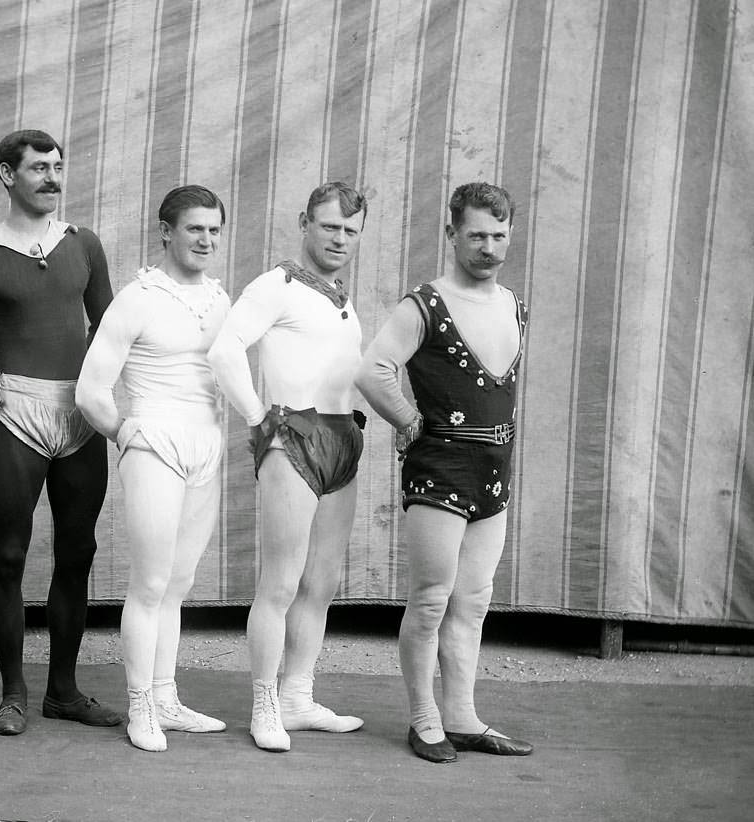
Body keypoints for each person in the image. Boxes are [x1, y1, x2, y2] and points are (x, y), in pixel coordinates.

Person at [0, 129, 122, 735]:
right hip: (19, 419)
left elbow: (111, 331)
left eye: (58, 167)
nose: (53, 178)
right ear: (8, 175)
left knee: (77, 554)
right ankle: (14, 693)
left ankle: (64, 691)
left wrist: (104, 390)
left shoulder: (83, 244)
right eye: (39, 168)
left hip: (80, 419)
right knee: (9, 557)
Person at [355, 181, 533, 762]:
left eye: (499, 235)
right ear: (452, 233)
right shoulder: (423, 304)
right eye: (477, 234)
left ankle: (461, 716)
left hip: (494, 469)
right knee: (431, 598)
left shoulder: (513, 305)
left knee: (473, 599)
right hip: (441, 467)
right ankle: (424, 717)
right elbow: (375, 369)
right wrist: (408, 421)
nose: (489, 246)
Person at [207, 182, 368, 752]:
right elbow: (225, 350)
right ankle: (264, 701)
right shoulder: (275, 285)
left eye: (350, 230)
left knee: (320, 583)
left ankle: (298, 696)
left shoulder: (341, 298)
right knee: (280, 582)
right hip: (293, 437)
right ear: (304, 223)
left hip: (343, 438)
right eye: (329, 226)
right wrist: (256, 417)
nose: (340, 238)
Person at [75, 185, 231, 752]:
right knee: (149, 584)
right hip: (153, 443)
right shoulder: (136, 298)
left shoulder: (220, 299)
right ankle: (139, 705)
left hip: (205, 447)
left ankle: (165, 697)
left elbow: (227, 379)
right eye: (195, 228)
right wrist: (127, 432)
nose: (206, 239)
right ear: (166, 231)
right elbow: (91, 391)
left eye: (214, 229)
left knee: (180, 584)